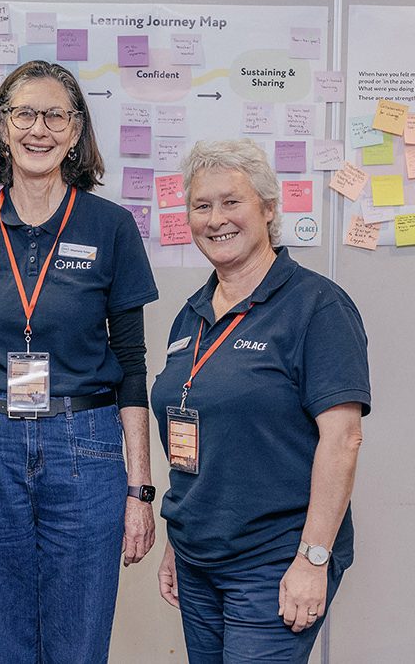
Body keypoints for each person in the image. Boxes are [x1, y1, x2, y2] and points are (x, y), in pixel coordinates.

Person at [0, 60, 158, 662]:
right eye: (24, 113)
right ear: (1, 128)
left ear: (76, 133)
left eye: (56, 115)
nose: (39, 129)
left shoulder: (111, 227)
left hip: (87, 447)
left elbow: (133, 366)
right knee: (5, 641)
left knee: (78, 642)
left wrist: (140, 489)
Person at [152, 139, 370, 663]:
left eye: (232, 202)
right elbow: (194, 439)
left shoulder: (317, 306)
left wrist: (314, 560)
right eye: (201, 206)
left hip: (275, 559)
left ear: (268, 210)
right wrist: (176, 541)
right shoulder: (192, 314)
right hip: (198, 558)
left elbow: (343, 438)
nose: (215, 219)